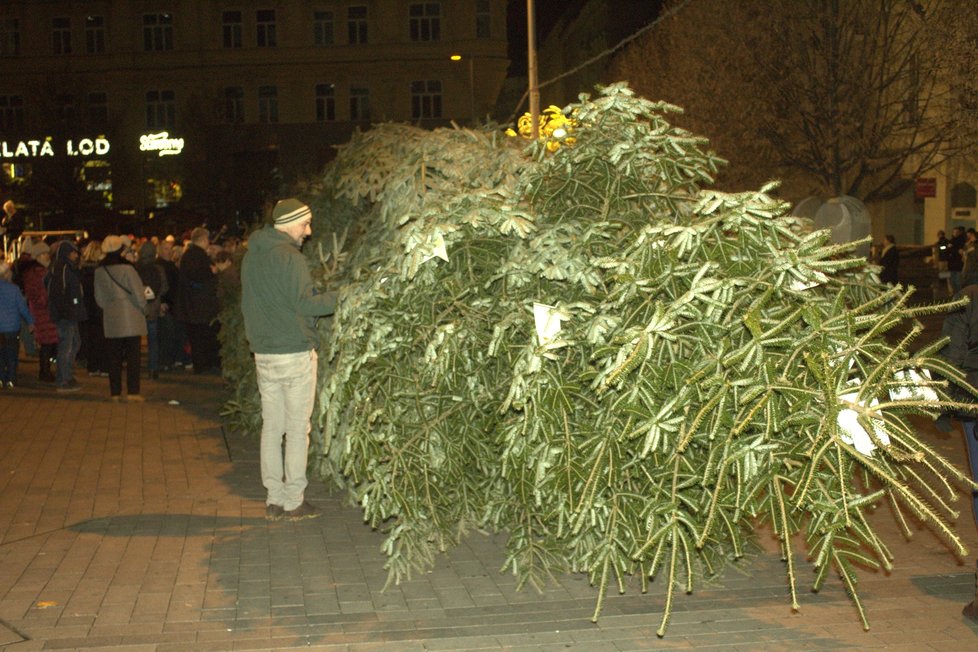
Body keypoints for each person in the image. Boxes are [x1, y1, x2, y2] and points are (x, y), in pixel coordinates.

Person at [241, 198, 337, 521]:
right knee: (297, 430)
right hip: (294, 353)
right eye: (304, 224)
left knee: (272, 427)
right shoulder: (290, 258)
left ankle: (274, 499)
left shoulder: (252, 257)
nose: (308, 232)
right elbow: (308, 305)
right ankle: (294, 500)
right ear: (290, 224)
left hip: (264, 355)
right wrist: (342, 297)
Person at [94, 235, 147, 401]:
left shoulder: (99, 271)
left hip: (111, 317)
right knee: (133, 357)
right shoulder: (128, 269)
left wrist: (110, 308)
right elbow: (139, 295)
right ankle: (133, 392)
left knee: (114, 358)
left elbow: (99, 298)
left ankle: (115, 392)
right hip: (131, 316)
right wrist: (143, 307)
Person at [176, 227, 226, 374]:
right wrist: (213, 272)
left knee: (197, 338)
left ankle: (202, 365)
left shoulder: (190, 255)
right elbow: (200, 277)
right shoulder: (196, 256)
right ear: (203, 240)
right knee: (203, 337)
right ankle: (205, 365)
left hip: (193, 306)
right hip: (199, 307)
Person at [46, 239, 87, 392]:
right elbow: (63, 293)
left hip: (68, 313)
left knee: (74, 343)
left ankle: (67, 375)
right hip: (66, 314)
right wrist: (72, 306)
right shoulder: (62, 269)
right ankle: (63, 379)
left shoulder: (63, 268)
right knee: (67, 346)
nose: (75, 255)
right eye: (73, 252)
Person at [18, 239, 58, 382]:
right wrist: (48, 297)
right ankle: (45, 372)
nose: (47, 256)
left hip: (47, 310)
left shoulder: (43, 270)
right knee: (46, 343)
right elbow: (34, 294)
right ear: (37, 256)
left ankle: (47, 371)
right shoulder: (33, 272)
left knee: (49, 342)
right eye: (44, 254)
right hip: (42, 311)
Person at [136, 240, 168, 379]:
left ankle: (135, 367)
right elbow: (164, 287)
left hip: (137, 309)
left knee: (135, 340)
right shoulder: (159, 269)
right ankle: (153, 369)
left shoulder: (135, 268)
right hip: (153, 308)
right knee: (153, 340)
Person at [0, 261, 33, 388]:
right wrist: (30, 322)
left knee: (1, 354)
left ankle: (1, 378)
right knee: (12, 354)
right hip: (12, 327)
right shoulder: (14, 289)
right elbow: (22, 308)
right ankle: (11, 379)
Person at [79, 240, 109, 377]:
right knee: (102, 338)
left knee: (90, 338)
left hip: (86, 307)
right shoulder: (101, 270)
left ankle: (92, 366)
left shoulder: (82, 270)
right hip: (99, 307)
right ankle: (103, 366)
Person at [949, 226, 966, 292]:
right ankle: (955, 294)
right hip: (952, 264)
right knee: (952, 281)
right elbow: (948, 250)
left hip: (958, 264)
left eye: (956, 232)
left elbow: (961, 251)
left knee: (958, 281)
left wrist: (954, 250)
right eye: (954, 232)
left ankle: (959, 294)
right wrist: (956, 250)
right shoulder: (951, 241)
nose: (955, 233)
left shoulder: (961, 241)